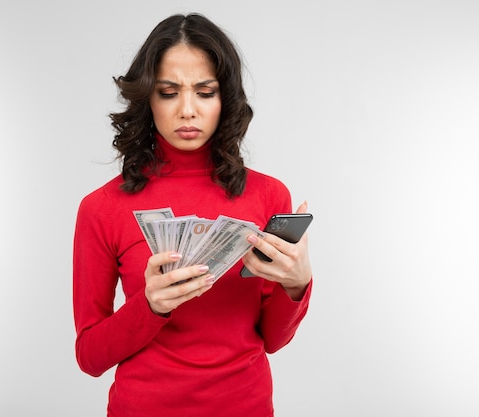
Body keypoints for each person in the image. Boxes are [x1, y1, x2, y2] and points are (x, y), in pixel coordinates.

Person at [73, 12, 313, 417]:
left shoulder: (269, 194)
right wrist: (150, 307)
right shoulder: (103, 208)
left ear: (226, 99)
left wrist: (298, 285)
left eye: (205, 92)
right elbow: (90, 357)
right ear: (147, 98)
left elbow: (271, 339)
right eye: (169, 92)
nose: (187, 110)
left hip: (246, 406)